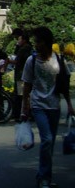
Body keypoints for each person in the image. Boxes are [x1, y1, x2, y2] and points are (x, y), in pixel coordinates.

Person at [22, 27, 74, 188]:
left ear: (47, 42)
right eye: (35, 42)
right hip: (38, 105)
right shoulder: (31, 61)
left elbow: (64, 84)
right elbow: (26, 85)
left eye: (39, 42)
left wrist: (70, 105)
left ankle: (45, 176)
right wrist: (25, 106)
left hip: (54, 105)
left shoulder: (58, 60)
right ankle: (44, 177)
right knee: (47, 139)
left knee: (49, 144)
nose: (36, 45)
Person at [11, 28, 33, 121]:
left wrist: (8, 61)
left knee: (20, 94)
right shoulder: (30, 48)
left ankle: (18, 113)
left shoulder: (23, 49)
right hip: (28, 74)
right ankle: (29, 112)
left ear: (23, 40)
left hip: (21, 74)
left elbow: (17, 60)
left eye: (19, 39)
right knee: (26, 95)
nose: (17, 41)